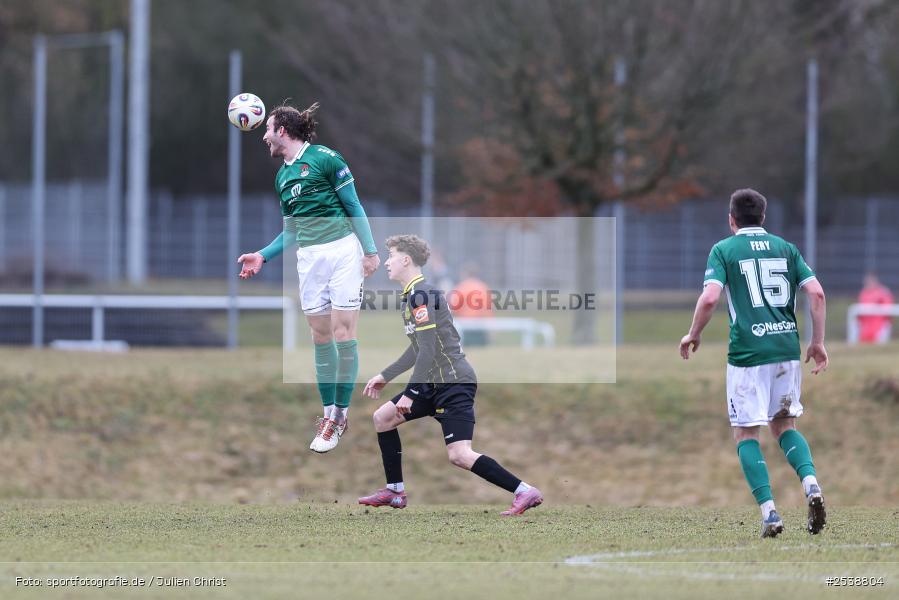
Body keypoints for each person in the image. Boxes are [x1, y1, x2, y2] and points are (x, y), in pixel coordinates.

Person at [678, 188, 828, 538]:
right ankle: (811, 483)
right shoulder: (786, 248)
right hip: (786, 350)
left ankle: (770, 513)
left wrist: (693, 333)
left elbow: (710, 297)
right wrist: (817, 342)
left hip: (748, 355)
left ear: (731, 219)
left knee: (746, 433)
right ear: (763, 217)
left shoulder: (724, 250)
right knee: (785, 425)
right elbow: (817, 293)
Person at [358, 234, 543, 515]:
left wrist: (410, 393)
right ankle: (395, 491)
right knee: (383, 418)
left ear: (406, 260)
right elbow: (418, 348)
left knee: (460, 455)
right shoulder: (413, 295)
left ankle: (524, 491)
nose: (386, 262)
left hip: (453, 382)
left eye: (391, 256)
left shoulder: (421, 295)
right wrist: (386, 375)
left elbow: (428, 349)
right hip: (434, 383)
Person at [237, 102, 380, 453]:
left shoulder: (326, 159)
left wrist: (370, 251)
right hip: (309, 259)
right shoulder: (282, 177)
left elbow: (354, 205)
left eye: (267, 129)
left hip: (342, 252)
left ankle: (339, 417)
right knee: (320, 336)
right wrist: (262, 256)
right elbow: (291, 231)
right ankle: (328, 413)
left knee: (344, 333)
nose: (264, 137)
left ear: (282, 131)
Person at [451, 263, 494, 346]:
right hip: (481, 328)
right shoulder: (484, 287)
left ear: (465, 273)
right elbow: (488, 311)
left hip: (465, 328)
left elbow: (453, 309)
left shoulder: (461, 287)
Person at [857, 272, 894, 344]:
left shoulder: (883, 292)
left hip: (879, 325)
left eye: (871, 281)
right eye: (867, 281)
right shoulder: (863, 293)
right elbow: (860, 312)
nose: (869, 283)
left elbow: (888, 308)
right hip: (865, 327)